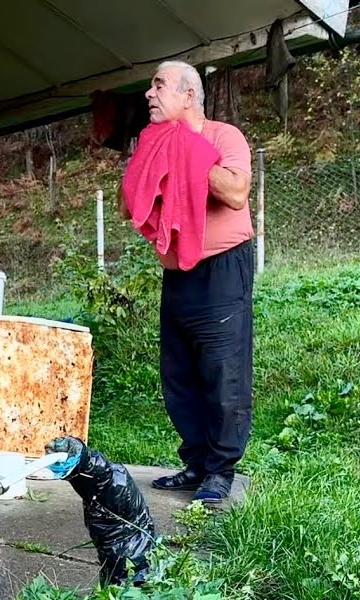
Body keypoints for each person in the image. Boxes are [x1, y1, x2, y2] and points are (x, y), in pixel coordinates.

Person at [121, 60, 255, 504]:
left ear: (188, 96)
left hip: (223, 268)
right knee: (178, 375)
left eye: (159, 85)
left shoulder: (222, 136)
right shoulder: (154, 141)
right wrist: (162, 155)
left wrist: (189, 150)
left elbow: (236, 193)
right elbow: (130, 204)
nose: (149, 94)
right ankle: (197, 463)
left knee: (223, 371)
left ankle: (220, 470)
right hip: (178, 271)